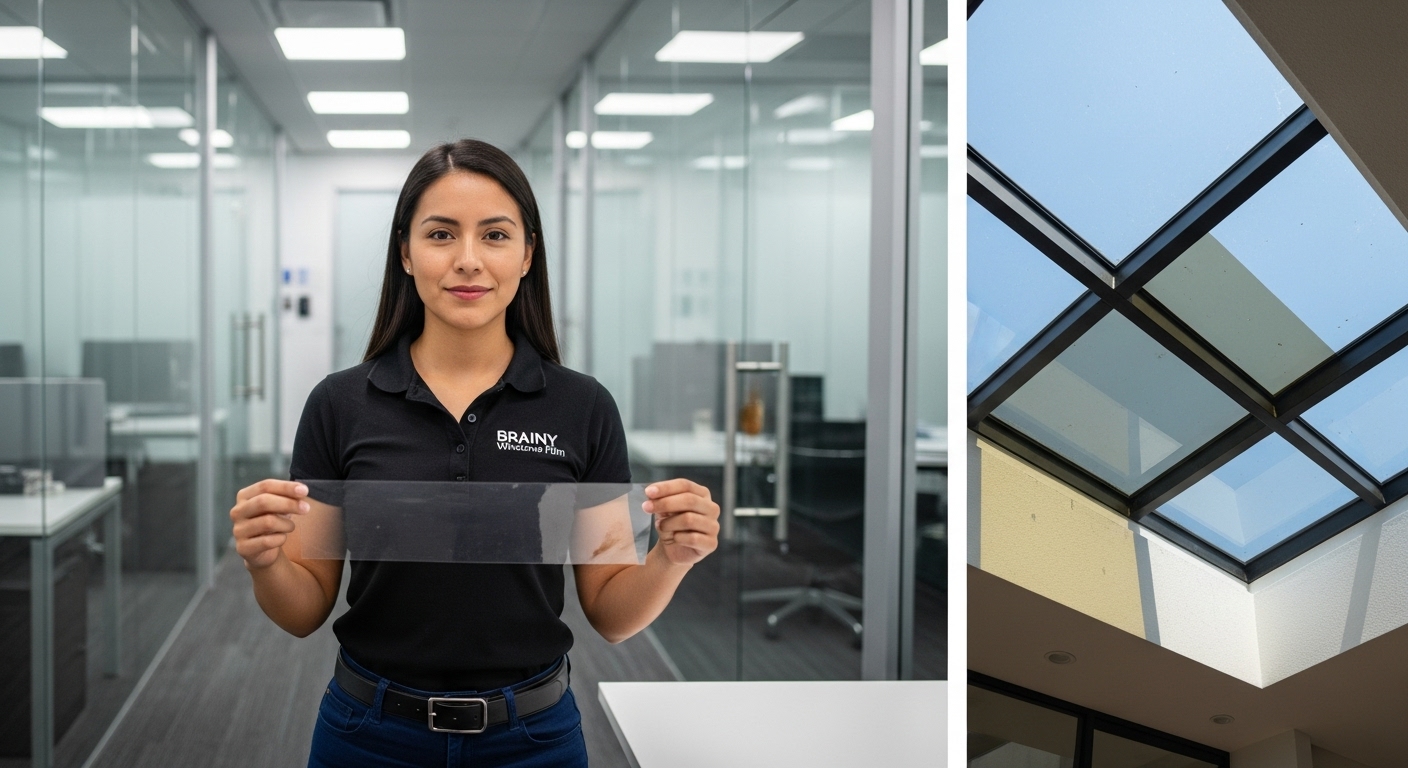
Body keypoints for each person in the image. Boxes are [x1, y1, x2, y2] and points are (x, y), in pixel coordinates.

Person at [229, 139, 720, 767]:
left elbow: (612, 611)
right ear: (405, 253)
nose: (468, 261)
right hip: (368, 734)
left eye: (494, 235)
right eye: (440, 235)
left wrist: (671, 559)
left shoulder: (582, 407)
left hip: (533, 739)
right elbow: (302, 611)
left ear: (527, 254)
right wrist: (266, 560)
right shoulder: (339, 403)